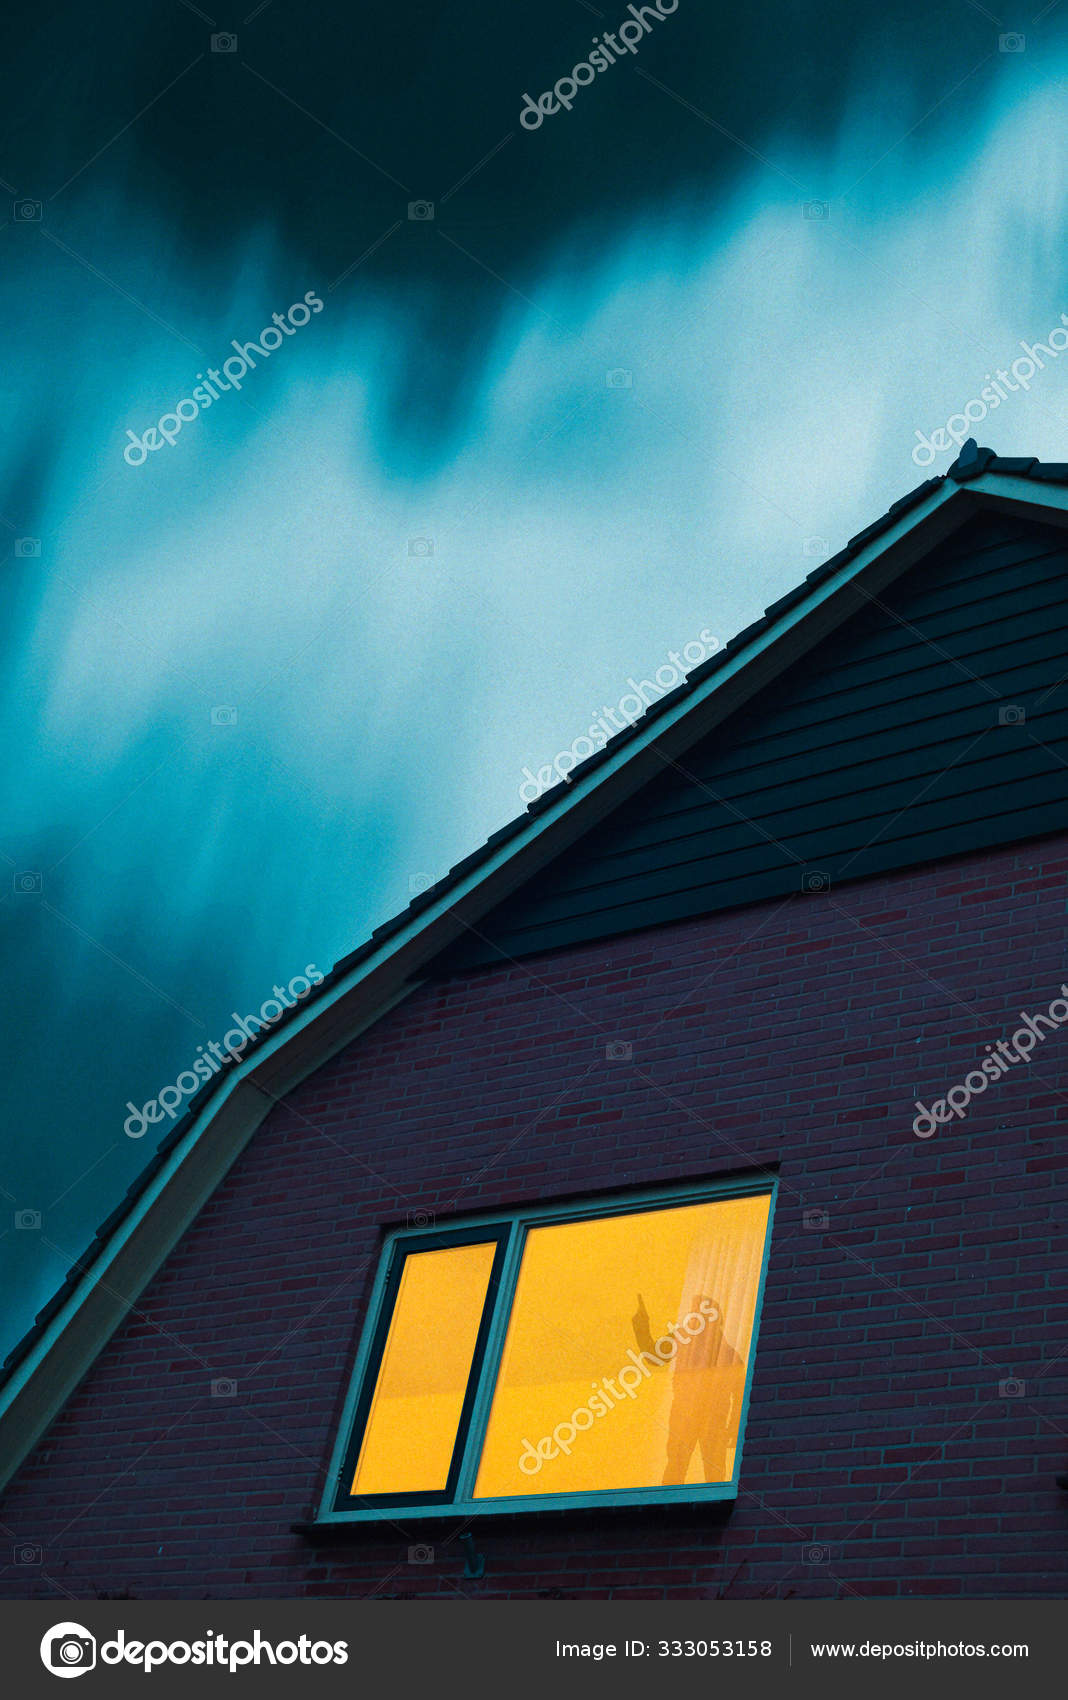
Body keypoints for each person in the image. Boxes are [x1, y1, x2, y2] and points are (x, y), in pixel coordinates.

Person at [632, 1292, 745, 1485]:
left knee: (712, 1474)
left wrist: (734, 1428)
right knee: (677, 1468)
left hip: (710, 1420)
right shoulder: (683, 1338)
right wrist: (641, 1324)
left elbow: (739, 1393)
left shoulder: (727, 1354)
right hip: (685, 1417)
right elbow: (654, 1356)